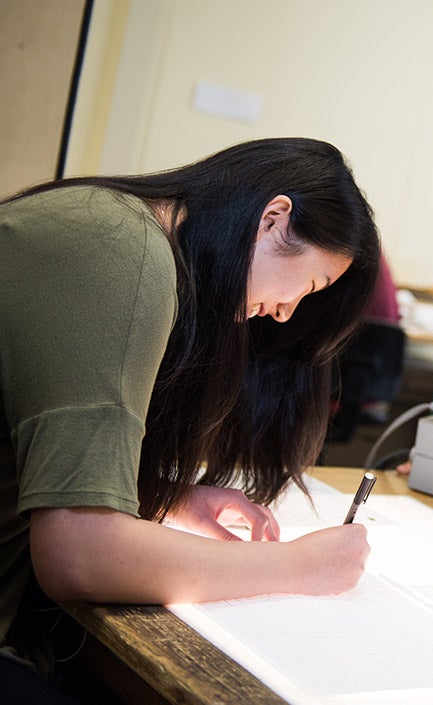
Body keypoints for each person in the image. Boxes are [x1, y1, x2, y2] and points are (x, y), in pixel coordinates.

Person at [0, 138, 380, 698]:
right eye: (310, 284)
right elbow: (77, 553)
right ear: (273, 220)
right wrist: (298, 566)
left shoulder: (108, 223)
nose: (284, 312)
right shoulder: (124, 257)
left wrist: (170, 496)